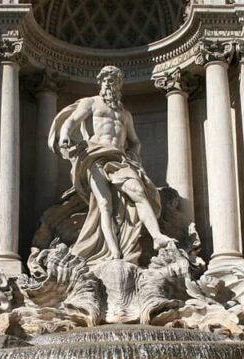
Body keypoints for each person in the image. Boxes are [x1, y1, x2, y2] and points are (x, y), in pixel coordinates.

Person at [49, 65, 174, 265]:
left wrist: (133, 157)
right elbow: (71, 121)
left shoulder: (125, 114)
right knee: (104, 204)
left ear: (118, 86)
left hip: (119, 159)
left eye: (113, 81)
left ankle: (157, 237)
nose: (109, 84)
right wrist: (64, 136)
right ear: (100, 83)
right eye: (106, 80)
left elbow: (134, 141)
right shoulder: (92, 103)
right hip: (95, 156)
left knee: (139, 192)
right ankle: (114, 252)